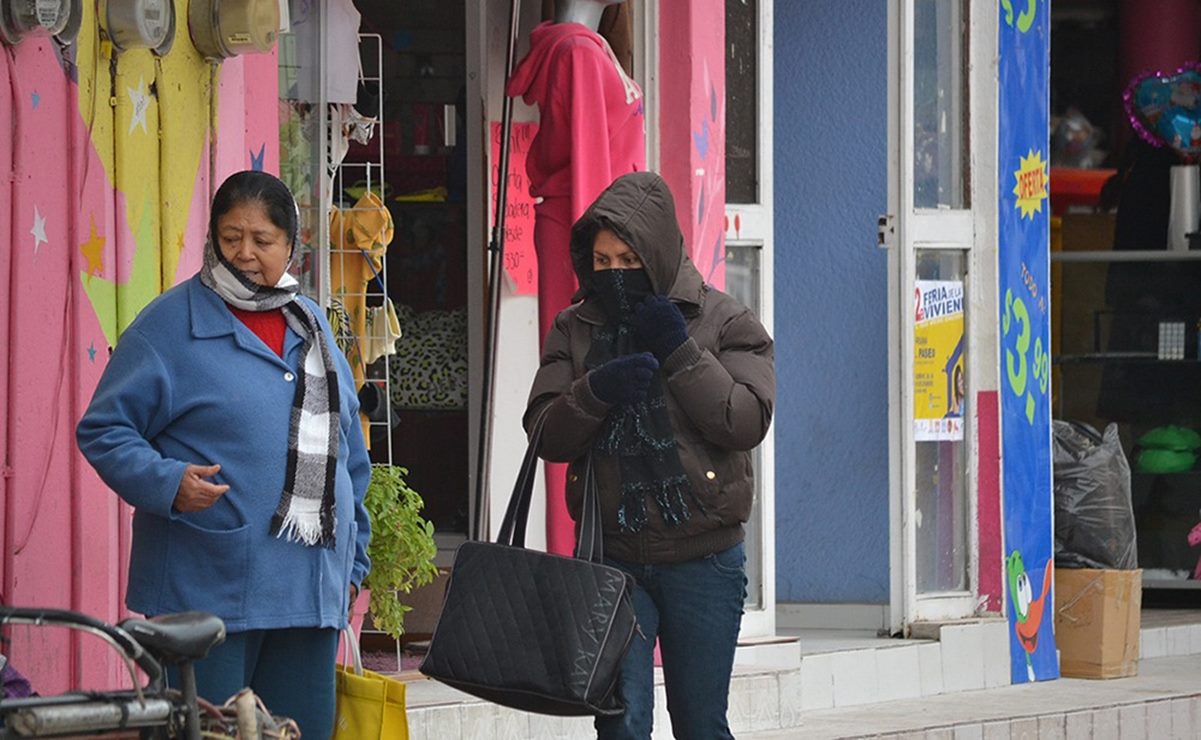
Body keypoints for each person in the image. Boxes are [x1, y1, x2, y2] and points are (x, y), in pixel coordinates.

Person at [76, 171, 371, 738]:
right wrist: (167, 483)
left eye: (262, 240)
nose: (245, 253)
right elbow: (105, 429)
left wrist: (352, 568)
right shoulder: (170, 326)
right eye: (231, 237)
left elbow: (349, 458)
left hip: (307, 594)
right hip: (206, 592)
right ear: (212, 238)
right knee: (206, 733)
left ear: (291, 244)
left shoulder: (312, 328)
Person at [525, 171, 775, 739]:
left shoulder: (726, 320)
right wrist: (594, 391)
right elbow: (544, 434)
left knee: (699, 723)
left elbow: (744, 419)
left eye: (628, 259)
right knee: (620, 723)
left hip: (704, 561)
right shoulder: (576, 325)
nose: (614, 273)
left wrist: (678, 350)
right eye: (602, 260)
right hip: (613, 560)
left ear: (657, 252)